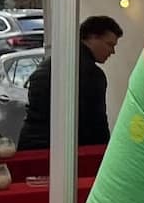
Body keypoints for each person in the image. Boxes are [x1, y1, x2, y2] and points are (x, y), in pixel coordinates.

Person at [16, 15, 121, 151]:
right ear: (92, 37)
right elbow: (95, 124)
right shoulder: (92, 74)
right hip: (66, 152)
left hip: (31, 146)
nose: (112, 51)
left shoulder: (50, 63)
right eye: (110, 44)